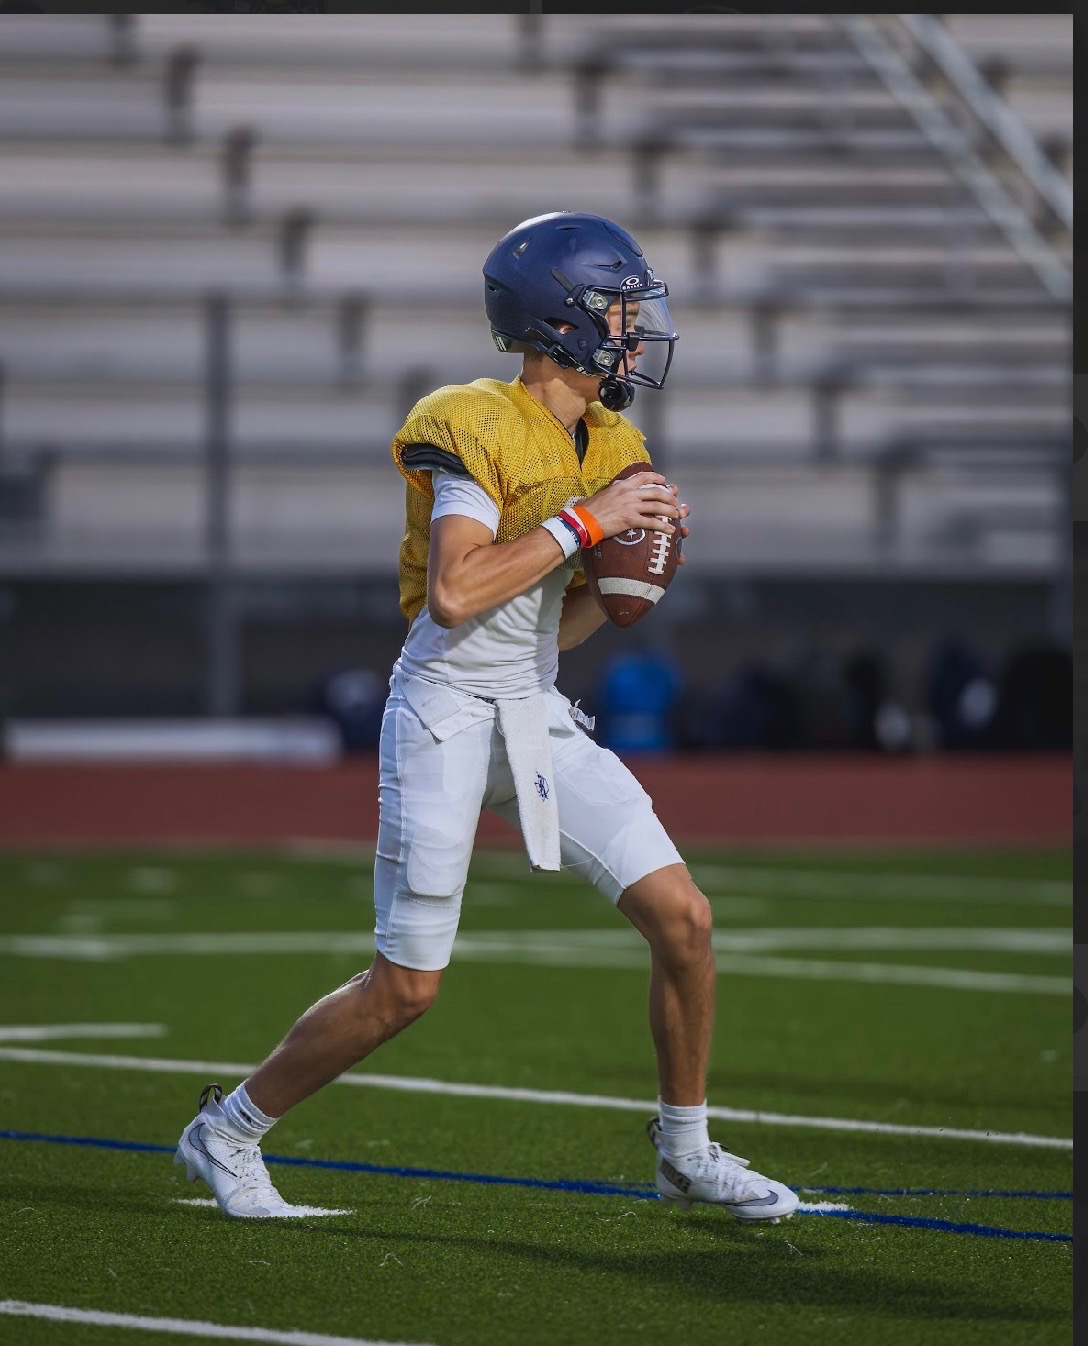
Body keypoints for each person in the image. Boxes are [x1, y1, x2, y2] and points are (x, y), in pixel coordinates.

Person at [175, 211, 799, 1224]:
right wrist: (588, 522)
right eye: (618, 309)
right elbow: (457, 594)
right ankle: (228, 1128)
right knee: (406, 988)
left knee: (684, 919)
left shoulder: (613, 442)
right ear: (561, 318)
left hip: (532, 704)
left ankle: (684, 1152)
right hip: (444, 707)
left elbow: (561, 622)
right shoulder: (471, 421)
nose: (636, 329)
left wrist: (633, 574)